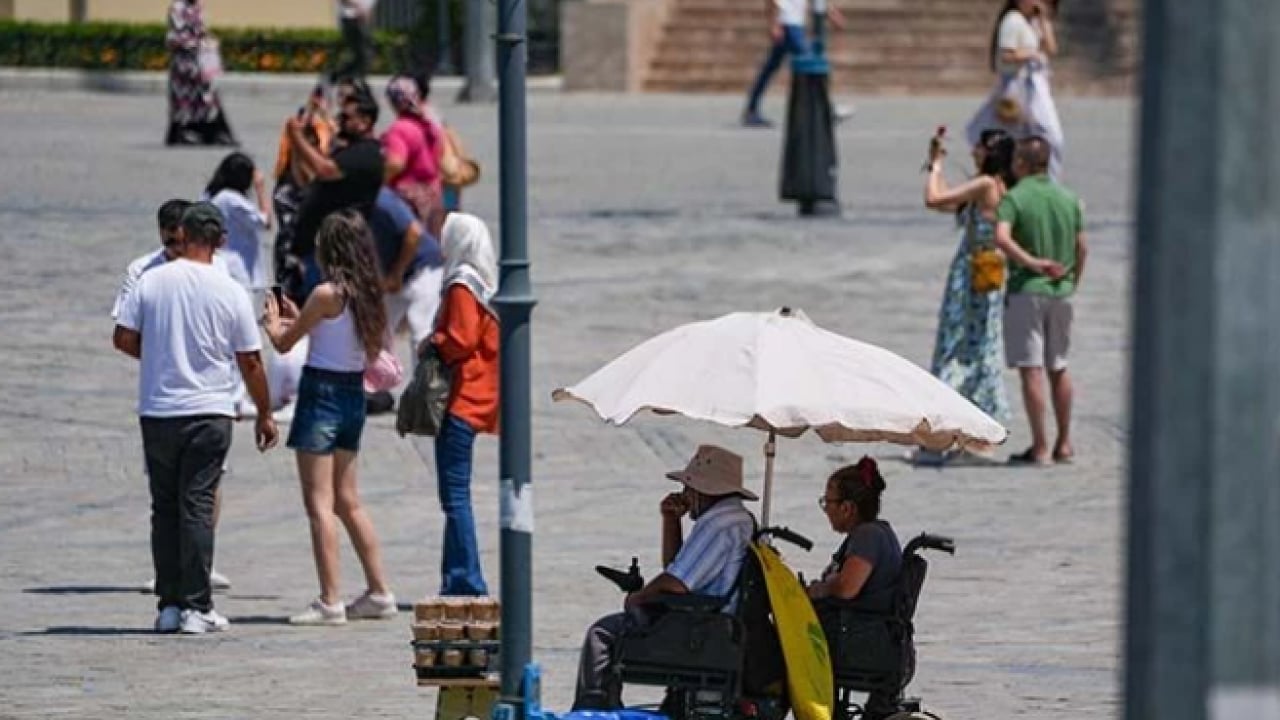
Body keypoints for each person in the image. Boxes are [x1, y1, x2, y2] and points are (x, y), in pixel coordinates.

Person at [113, 202, 278, 634]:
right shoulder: (229, 289)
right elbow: (251, 361)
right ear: (221, 240)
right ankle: (197, 606)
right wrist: (264, 412)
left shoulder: (151, 280)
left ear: (183, 234)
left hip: (158, 410)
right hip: (209, 410)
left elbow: (124, 337)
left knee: (164, 509)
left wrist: (160, 358)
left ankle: (168, 605)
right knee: (197, 508)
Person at [263, 210, 398, 625]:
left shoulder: (325, 294)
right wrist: (296, 316)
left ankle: (330, 599)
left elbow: (285, 343)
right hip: (352, 396)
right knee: (347, 499)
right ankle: (379, 591)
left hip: (321, 393)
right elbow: (325, 332)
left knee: (319, 503)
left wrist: (272, 322)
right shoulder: (369, 295)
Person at [573, 445, 759, 710]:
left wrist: (639, 597)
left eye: (688, 488)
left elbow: (677, 582)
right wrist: (671, 520)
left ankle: (591, 709)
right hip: (702, 620)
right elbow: (677, 567)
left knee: (602, 634)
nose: (684, 494)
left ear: (702, 490)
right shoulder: (732, 517)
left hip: (700, 626)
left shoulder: (720, 523)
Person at [112, 199, 235, 593]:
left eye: (180, 240)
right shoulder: (143, 271)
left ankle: (197, 568)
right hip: (164, 396)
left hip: (208, 394)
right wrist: (164, 357)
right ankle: (176, 583)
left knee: (201, 493)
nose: (176, 248)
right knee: (168, 501)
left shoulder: (218, 267)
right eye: (168, 241)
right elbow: (124, 336)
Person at [918, 129, 1016, 463]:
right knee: (981, 347)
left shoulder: (987, 184)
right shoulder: (999, 186)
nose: (973, 150)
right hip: (987, 276)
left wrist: (933, 165)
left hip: (970, 276)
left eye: (980, 146)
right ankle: (976, 430)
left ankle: (944, 427)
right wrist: (939, 165)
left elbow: (933, 199)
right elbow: (948, 201)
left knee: (956, 347)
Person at [992, 136, 1086, 465]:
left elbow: (1001, 237)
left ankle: (1041, 446)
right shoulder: (1069, 198)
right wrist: (1073, 280)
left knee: (1031, 369)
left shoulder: (1015, 199)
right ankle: (1064, 443)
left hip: (1026, 289)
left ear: (1021, 163)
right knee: (1058, 366)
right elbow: (1082, 245)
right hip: (1062, 291)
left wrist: (1031, 263)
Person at [419, 212, 499, 597]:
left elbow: (460, 341)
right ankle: (455, 575)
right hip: (478, 397)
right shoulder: (484, 283)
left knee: (455, 497)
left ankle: (465, 577)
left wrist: (433, 340)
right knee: (456, 496)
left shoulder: (461, 285)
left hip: (460, 401)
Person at [808, 457, 902, 718]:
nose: (826, 508)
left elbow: (848, 588)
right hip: (867, 637)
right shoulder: (875, 533)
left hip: (859, 641)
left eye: (828, 502)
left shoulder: (868, 536)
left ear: (847, 507)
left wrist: (820, 589)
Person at [287, 91, 385, 301]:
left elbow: (325, 170)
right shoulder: (347, 151)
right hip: (315, 245)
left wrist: (295, 135)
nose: (341, 122)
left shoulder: (366, 153)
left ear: (365, 121)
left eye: (347, 118)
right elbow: (309, 178)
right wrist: (299, 142)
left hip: (336, 247)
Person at [966, 0, 1064, 177]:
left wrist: (1044, 20)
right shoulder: (1013, 20)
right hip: (1017, 85)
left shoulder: (1032, 21)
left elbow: (1051, 48)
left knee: (1041, 137)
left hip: (1034, 86)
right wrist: (1032, 54)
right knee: (1035, 135)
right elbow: (1006, 55)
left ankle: (1044, 179)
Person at [741, 0, 844, 127]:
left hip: (794, 25)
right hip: (788, 25)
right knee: (810, 64)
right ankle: (826, 110)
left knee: (769, 69)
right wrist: (773, 24)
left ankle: (751, 109)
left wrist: (831, 13)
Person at [370, 186, 444, 352]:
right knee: (378, 332)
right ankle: (380, 376)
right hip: (395, 271)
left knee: (421, 331)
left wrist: (397, 273)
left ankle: (425, 377)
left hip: (423, 268)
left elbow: (414, 232)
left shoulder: (382, 199)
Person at [165, 0, 236, 146]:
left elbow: (201, 30)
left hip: (200, 62)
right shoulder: (178, 8)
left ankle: (211, 132)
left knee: (206, 98)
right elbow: (176, 35)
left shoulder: (198, 6)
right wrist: (193, 43)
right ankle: (182, 133)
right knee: (184, 100)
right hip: (184, 63)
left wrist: (208, 41)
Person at [204, 152, 272, 291]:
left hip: (221, 264)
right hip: (241, 270)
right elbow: (265, 222)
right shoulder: (232, 200)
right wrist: (261, 190)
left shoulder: (210, 195)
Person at [382, 75, 444, 218]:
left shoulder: (400, 129)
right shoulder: (430, 125)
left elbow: (396, 163)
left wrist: (379, 182)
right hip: (432, 194)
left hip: (408, 199)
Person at [332, 0, 378, 84]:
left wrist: (368, 15)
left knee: (365, 54)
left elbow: (369, 8)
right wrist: (357, 6)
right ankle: (340, 76)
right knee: (363, 53)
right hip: (351, 19)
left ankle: (346, 76)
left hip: (361, 20)